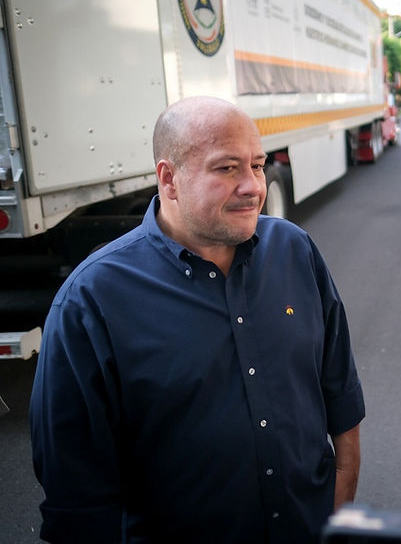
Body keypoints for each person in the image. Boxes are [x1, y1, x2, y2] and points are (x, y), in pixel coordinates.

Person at [29, 96, 365, 544]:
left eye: (258, 165)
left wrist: (339, 507)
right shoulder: (92, 300)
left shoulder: (294, 250)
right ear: (169, 178)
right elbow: (74, 491)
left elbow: (339, 391)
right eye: (227, 168)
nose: (253, 187)